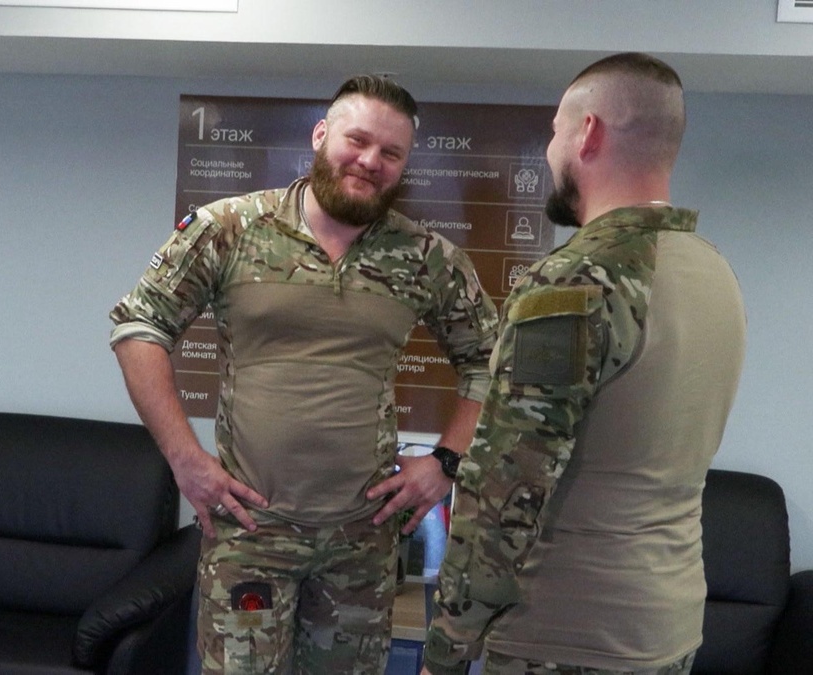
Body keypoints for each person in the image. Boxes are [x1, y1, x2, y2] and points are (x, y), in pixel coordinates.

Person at [110, 74, 498, 674]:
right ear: (321, 135)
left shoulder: (426, 257)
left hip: (362, 541)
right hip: (250, 532)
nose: (370, 161)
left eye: (391, 152)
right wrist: (185, 460)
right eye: (357, 140)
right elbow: (140, 327)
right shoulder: (231, 227)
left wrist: (446, 462)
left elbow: (490, 362)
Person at [421, 52, 747, 675]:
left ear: (588, 132)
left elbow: (505, 487)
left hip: (565, 636)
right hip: (669, 625)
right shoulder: (714, 270)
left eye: (555, 132)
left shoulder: (577, 279)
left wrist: (447, 647)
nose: (550, 152)